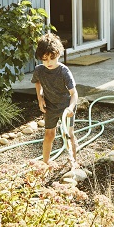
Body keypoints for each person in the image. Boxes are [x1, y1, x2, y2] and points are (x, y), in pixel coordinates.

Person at [31, 32, 79, 167]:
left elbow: (74, 94)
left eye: (52, 58)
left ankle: (73, 161)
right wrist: (40, 98)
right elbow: (37, 82)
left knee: (68, 134)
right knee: (49, 135)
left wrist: (70, 108)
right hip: (51, 106)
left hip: (66, 107)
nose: (48, 62)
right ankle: (45, 162)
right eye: (45, 59)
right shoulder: (39, 70)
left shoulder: (64, 71)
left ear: (58, 54)